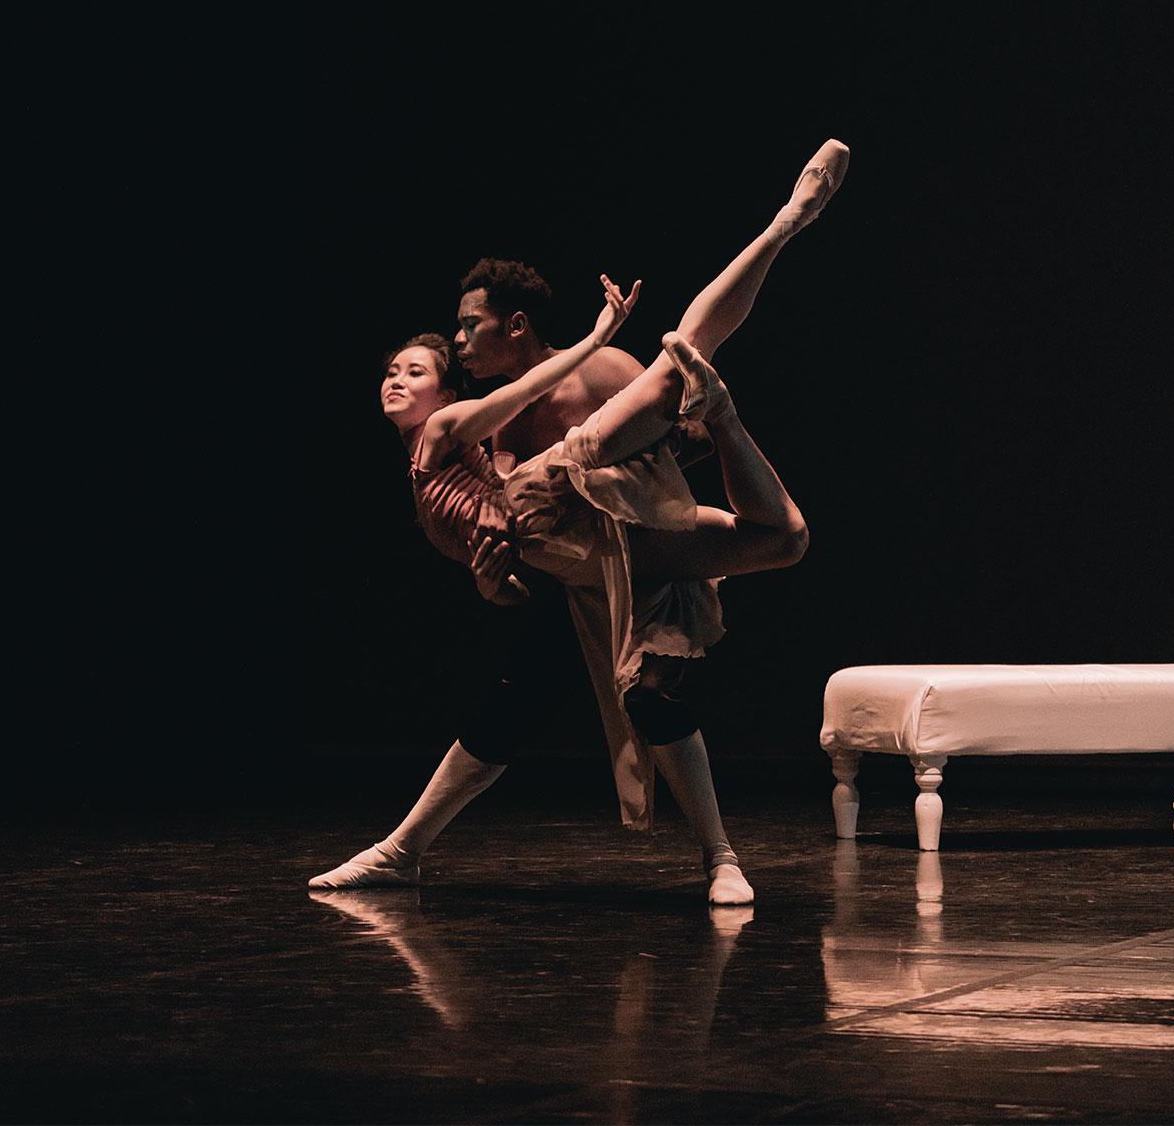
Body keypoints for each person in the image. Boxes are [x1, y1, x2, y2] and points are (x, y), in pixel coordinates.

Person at [311, 139, 848, 904]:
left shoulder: (533, 396)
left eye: (454, 342)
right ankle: (403, 849)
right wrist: (492, 578)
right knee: (525, 700)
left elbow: (662, 457)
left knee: (769, 518)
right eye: (418, 363)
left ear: (517, 326)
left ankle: (785, 225)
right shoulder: (476, 434)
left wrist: (621, 364)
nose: (455, 351)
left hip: (607, 519)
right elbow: (503, 560)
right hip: (570, 553)